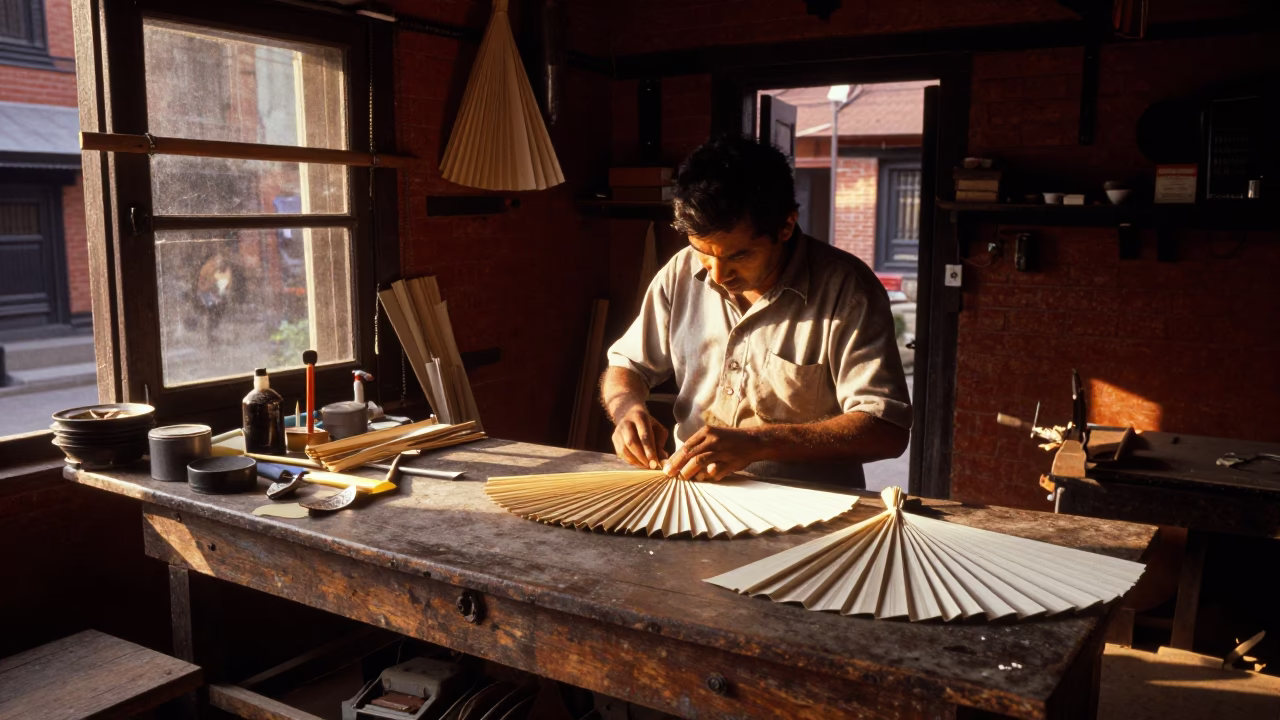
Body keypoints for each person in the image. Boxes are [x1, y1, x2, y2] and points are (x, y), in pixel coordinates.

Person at [600, 135, 912, 488]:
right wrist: (626, 408)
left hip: (808, 505)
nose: (717, 275)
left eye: (739, 255)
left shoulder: (848, 289)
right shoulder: (681, 271)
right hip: (693, 490)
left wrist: (759, 442)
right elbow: (627, 365)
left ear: (786, 226)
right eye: (702, 251)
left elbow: (886, 428)